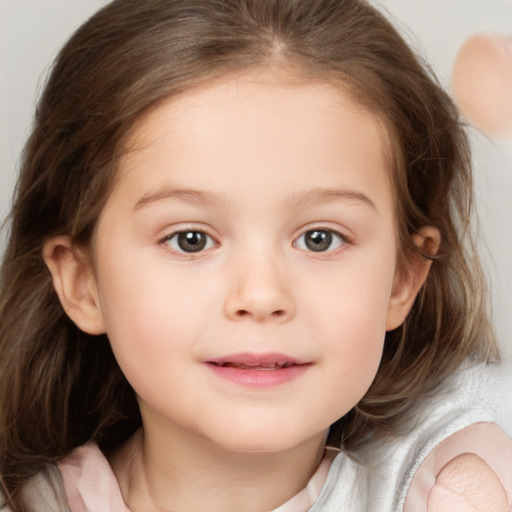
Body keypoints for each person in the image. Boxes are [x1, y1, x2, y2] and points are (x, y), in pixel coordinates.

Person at [0, 0, 510, 510]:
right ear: (82, 281)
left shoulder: (457, 489)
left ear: (403, 277)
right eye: (190, 239)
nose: (262, 296)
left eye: (320, 238)